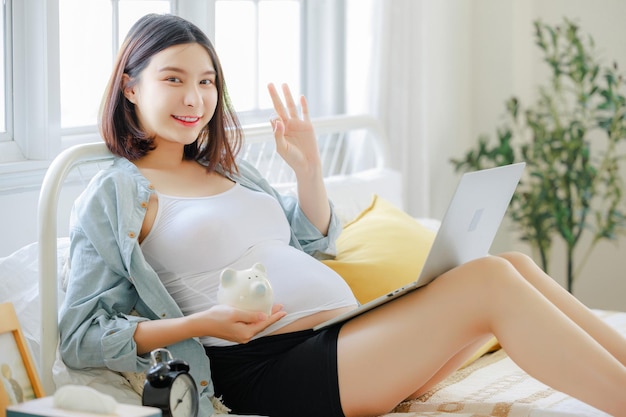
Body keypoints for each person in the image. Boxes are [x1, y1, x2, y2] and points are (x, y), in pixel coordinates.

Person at [58, 13, 626, 417]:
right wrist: (201, 325)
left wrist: (308, 170)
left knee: (513, 263)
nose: (195, 99)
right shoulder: (115, 193)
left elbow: (307, 245)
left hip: (343, 339)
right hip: (268, 368)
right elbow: (81, 336)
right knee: (490, 282)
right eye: (174, 80)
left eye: (206, 82)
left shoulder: (230, 171)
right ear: (130, 87)